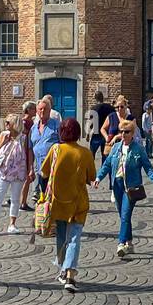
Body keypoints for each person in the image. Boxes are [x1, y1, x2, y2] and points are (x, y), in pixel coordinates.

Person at [40, 117, 96, 293]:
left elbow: (44, 172)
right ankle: (70, 274)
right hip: (78, 203)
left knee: (61, 237)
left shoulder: (56, 149)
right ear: (78, 133)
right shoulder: (85, 153)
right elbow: (92, 177)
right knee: (74, 239)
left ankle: (63, 270)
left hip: (58, 202)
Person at [94, 119, 153, 258]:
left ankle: (121, 243)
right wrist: (98, 178)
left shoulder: (138, 149)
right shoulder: (116, 147)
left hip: (131, 187)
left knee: (125, 214)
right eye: (121, 131)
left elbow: (148, 167)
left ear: (132, 133)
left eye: (127, 132)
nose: (123, 134)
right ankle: (129, 242)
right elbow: (107, 165)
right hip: (117, 185)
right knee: (123, 216)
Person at [0, 114, 27, 235]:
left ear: (15, 124)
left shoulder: (23, 138)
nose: (6, 124)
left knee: (15, 199)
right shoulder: (3, 135)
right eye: (6, 122)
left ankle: (12, 224)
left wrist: (30, 170)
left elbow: (28, 154)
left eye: (8, 122)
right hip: (3, 171)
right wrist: (2, 142)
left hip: (18, 172)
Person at [28, 97, 61, 199]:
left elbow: (63, 145)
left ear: (50, 111)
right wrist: (31, 168)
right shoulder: (33, 128)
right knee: (43, 194)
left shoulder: (56, 125)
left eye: (45, 109)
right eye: (40, 109)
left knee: (54, 195)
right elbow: (30, 149)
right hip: (40, 169)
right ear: (37, 111)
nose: (42, 111)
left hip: (54, 168)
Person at [88, 90, 112, 162]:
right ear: (102, 98)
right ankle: (103, 168)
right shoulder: (110, 108)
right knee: (104, 155)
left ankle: (91, 168)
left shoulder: (94, 108)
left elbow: (91, 122)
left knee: (91, 155)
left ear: (96, 98)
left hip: (96, 133)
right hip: (106, 134)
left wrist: (88, 134)